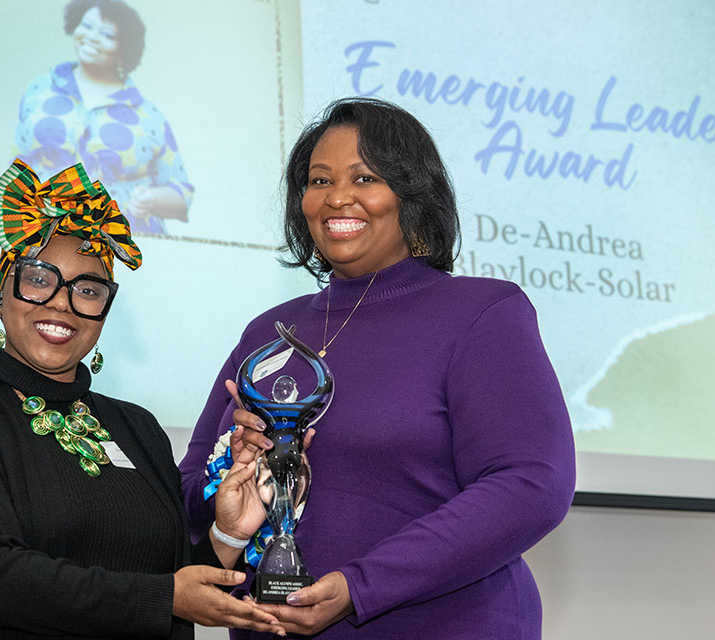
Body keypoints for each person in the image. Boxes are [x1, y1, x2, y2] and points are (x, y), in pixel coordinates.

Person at [179, 98, 576, 639]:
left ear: (411, 195)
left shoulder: (483, 313)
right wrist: (225, 496)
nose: (337, 197)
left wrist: (360, 587)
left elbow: (531, 484)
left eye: (364, 177)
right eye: (319, 181)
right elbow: (188, 492)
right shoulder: (267, 332)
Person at [0, 159, 283, 638]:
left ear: (104, 311)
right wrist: (166, 596)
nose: (62, 302)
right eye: (39, 279)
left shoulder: (138, 428)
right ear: (2, 293)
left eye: (88, 289)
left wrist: (229, 533)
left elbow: (169, 587)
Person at [14, 0, 193, 235]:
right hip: (41, 234)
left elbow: (182, 193)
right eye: (86, 26)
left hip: (121, 244)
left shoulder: (147, 115)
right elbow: (16, 165)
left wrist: (151, 199)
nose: (92, 37)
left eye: (107, 34)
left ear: (124, 49)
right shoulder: (39, 90)